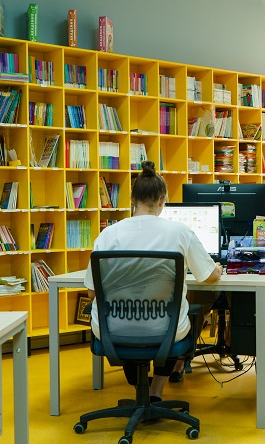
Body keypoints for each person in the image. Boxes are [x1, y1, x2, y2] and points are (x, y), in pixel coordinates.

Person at [83, 161, 222, 402]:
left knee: (132, 325)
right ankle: (156, 390)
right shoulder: (180, 232)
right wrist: (217, 269)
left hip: (113, 330)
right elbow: (209, 277)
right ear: (162, 200)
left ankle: (139, 388)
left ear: (132, 199)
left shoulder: (107, 235)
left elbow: (93, 294)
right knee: (182, 315)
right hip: (164, 329)